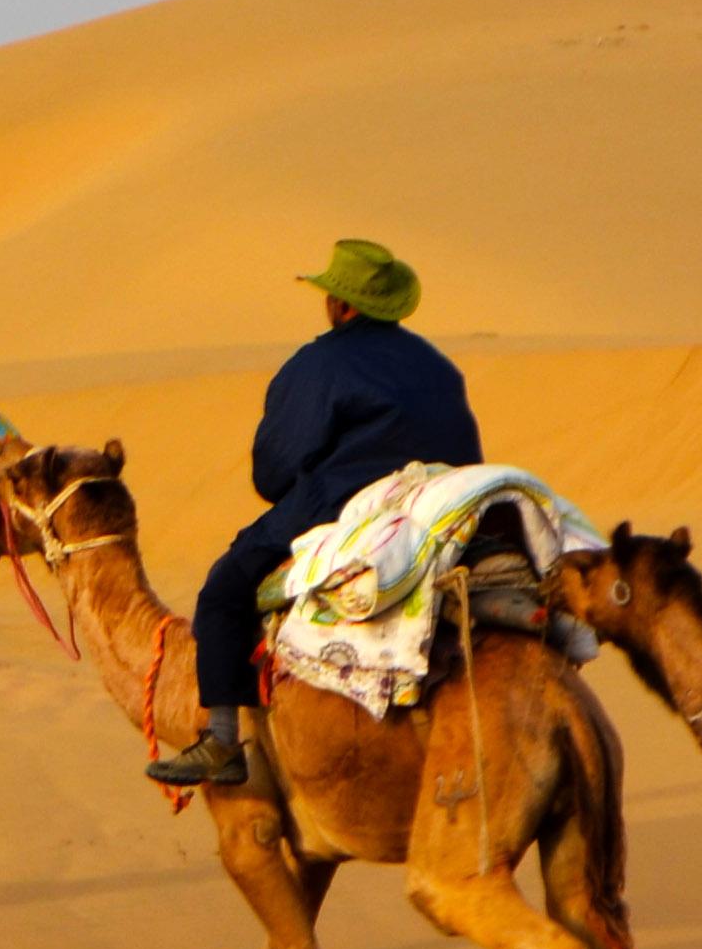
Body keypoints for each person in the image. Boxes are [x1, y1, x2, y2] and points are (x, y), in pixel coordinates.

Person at [143, 239, 479, 787]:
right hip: (443, 509)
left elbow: (272, 472)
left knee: (224, 591)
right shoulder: (438, 367)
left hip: (342, 510)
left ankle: (223, 740)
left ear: (341, 306)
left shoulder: (319, 364)